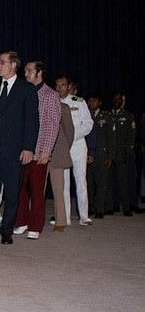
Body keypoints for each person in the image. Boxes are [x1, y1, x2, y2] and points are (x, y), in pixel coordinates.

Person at [0, 51, 39, 245]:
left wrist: (28, 148)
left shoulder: (27, 89)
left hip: (16, 150)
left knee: (12, 192)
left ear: (13, 65)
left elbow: (32, 122)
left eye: (2, 62)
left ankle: (7, 229)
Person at [13, 61, 60, 240]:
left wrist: (46, 150)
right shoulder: (23, 91)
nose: (26, 74)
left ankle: (35, 225)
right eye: (25, 71)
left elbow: (52, 125)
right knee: (19, 187)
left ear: (40, 73)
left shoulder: (50, 95)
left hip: (40, 150)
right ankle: (22, 221)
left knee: (37, 190)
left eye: (29, 71)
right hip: (22, 149)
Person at [55, 75, 94, 226]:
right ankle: (65, 217)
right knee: (63, 183)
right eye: (57, 86)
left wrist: (72, 136)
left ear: (68, 86)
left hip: (78, 145)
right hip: (61, 148)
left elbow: (88, 124)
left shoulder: (79, 101)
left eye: (63, 85)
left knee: (81, 180)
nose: (60, 88)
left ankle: (84, 216)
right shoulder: (54, 102)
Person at [107, 92, 136, 216]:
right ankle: (112, 205)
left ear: (122, 101)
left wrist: (129, 151)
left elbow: (131, 135)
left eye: (119, 99)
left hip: (121, 153)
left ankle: (126, 207)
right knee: (109, 181)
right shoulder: (106, 115)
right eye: (114, 98)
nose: (116, 101)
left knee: (123, 181)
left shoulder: (128, 116)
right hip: (108, 154)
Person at [48, 103, 75, 232]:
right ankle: (35, 220)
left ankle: (61, 221)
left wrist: (63, 148)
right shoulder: (37, 103)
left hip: (57, 152)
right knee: (37, 189)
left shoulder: (63, 107)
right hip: (40, 151)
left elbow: (69, 132)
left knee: (59, 188)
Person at [86, 92, 108, 218]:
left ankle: (100, 209)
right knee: (88, 183)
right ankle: (90, 207)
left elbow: (111, 138)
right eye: (90, 100)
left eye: (94, 101)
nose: (91, 103)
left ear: (99, 103)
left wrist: (110, 156)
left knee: (101, 184)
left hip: (102, 155)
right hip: (88, 153)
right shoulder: (86, 114)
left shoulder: (106, 117)